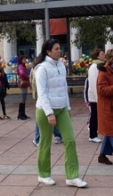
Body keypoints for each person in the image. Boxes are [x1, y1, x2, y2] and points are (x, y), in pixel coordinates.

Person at [34, 39, 87, 188]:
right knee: (45, 142)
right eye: (56, 49)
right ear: (48, 51)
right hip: (45, 111)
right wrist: (49, 113)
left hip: (62, 108)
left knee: (70, 140)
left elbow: (64, 88)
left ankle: (72, 176)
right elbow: (42, 93)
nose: (59, 51)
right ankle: (43, 174)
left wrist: (68, 107)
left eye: (59, 48)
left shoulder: (62, 66)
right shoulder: (41, 68)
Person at [30, 59, 62, 146]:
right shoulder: (40, 69)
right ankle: (37, 139)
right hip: (43, 97)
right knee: (45, 117)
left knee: (49, 117)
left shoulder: (38, 69)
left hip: (44, 97)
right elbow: (35, 83)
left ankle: (56, 135)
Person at [86, 47, 105, 143]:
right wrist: (98, 98)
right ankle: (92, 135)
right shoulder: (94, 67)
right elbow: (93, 83)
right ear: (97, 56)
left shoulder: (100, 66)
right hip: (95, 97)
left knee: (98, 115)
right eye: (102, 54)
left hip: (98, 96)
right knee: (95, 116)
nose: (104, 55)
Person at [17, 54, 30, 120]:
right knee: (23, 99)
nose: (25, 60)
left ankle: (23, 113)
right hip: (23, 83)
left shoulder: (23, 66)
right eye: (24, 59)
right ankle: (20, 113)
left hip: (24, 83)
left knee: (24, 99)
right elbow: (22, 74)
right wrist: (28, 77)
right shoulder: (20, 66)